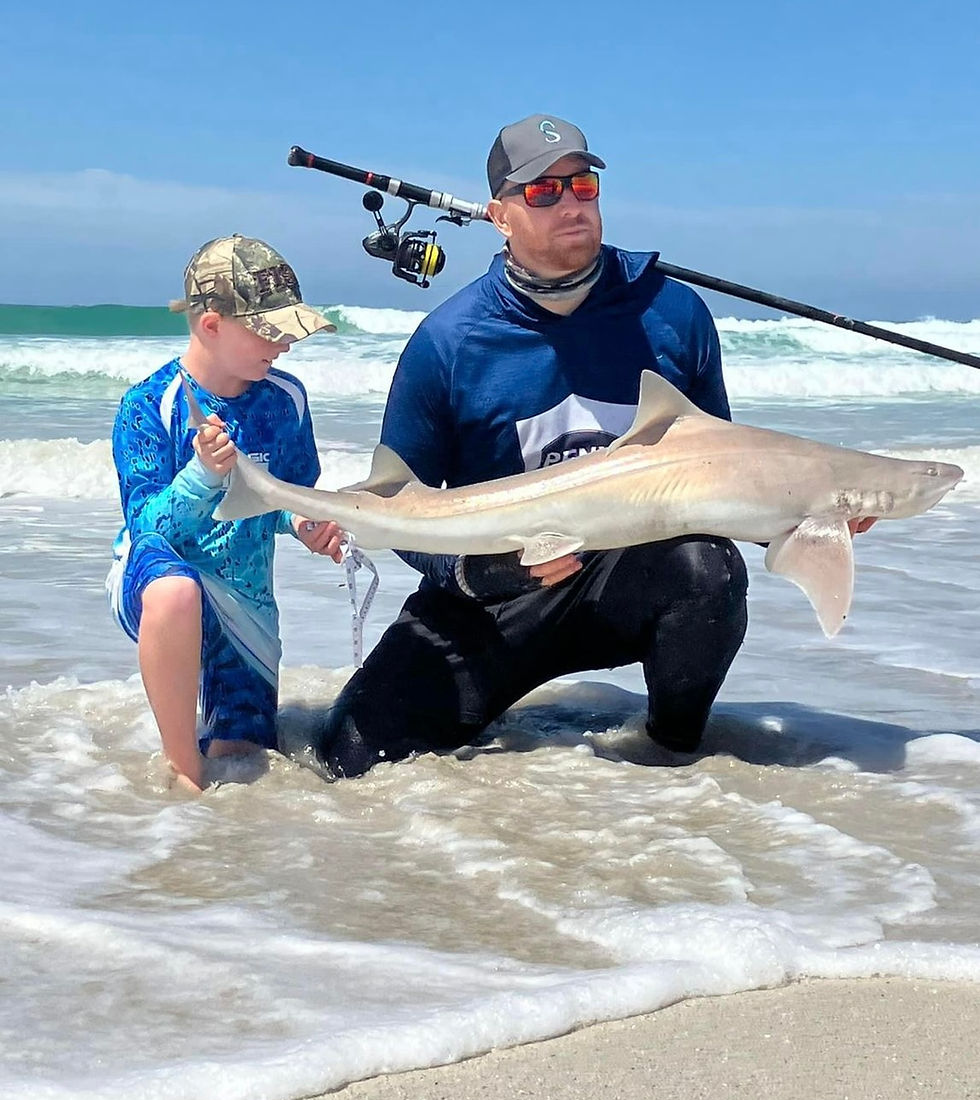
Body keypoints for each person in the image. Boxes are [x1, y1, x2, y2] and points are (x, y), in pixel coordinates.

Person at [305, 113, 872, 780]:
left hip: (626, 584)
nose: (571, 202)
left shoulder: (672, 314)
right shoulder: (449, 341)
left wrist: (805, 514)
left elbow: (726, 476)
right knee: (346, 759)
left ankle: (667, 761)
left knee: (707, 568)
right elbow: (399, 503)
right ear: (500, 215)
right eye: (543, 192)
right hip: (493, 598)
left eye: (583, 184)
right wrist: (475, 573)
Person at [106, 234, 344, 793]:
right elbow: (147, 530)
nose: (283, 345)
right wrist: (204, 476)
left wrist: (305, 525)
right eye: (268, 330)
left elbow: (287, 496)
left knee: (244, 758)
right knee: (177, 590)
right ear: (211, 325)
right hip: (155, 586)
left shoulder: (286, 399)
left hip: (245, 599)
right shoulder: (149, 404)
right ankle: (181, 767)